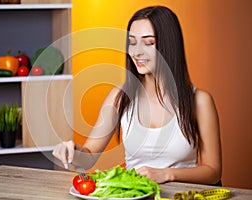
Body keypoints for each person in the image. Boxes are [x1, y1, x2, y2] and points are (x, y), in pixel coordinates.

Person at [52, 6, 222, 185]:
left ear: (169, 45)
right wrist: (72, 152)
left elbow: (213, 171)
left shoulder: (199, 101)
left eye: (148, 43)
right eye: (132, 42)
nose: (136, 52)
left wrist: (167, 174)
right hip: (136, 195)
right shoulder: (120, 97)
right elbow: (89, 156)